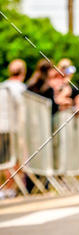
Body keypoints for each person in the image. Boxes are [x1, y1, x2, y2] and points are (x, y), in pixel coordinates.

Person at [0, 59, 27, 197]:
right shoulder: (21, 88)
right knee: (14, 159)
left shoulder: (2, 86)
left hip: (2, 127)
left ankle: (6, 188)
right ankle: (9, 188)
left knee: (4, 159)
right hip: (13, 127)